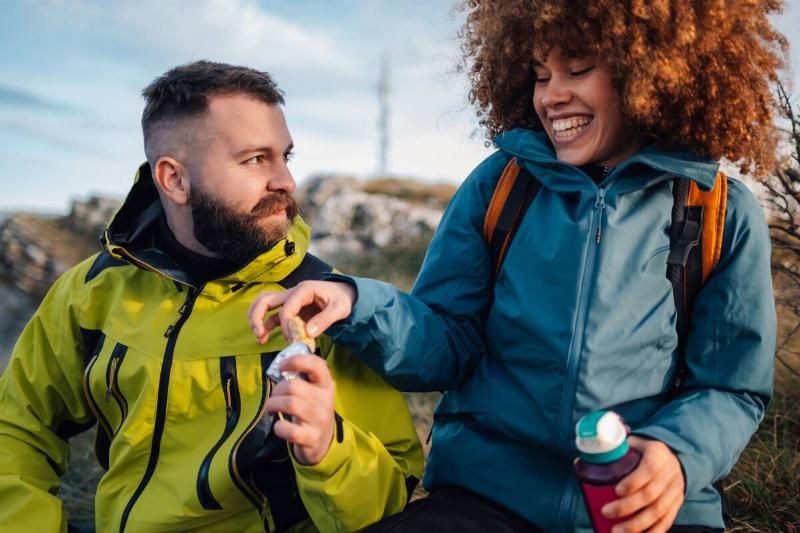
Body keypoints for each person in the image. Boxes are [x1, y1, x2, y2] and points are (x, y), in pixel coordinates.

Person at [248, 2, 786, 532]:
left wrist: (676, 455)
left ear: (652, 72)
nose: (551, 96)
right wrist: (355, 302)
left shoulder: (717, 211)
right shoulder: (500, 185)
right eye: (540, 75)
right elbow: (447, 343)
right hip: (487, 496)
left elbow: (731, 387)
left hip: (641, 512)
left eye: (578, 69)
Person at [0, 60, 423, 533]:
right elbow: (18, 427)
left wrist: (329, 450)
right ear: (174, 179)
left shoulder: (325, 305)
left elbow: (394, 503)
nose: (286, 181)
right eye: (255, 159)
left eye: (285, 156)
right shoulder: (91, 290)